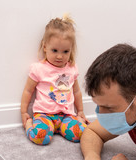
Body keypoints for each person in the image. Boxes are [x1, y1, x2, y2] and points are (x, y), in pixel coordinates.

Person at [20, 14, 89, 145]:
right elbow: (28, 91)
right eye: (55, 50)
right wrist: (24, 112)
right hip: (44, 115)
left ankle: (66, 128)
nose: (59, 56)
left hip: (66, 116)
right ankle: (31, 125)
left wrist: (80, 111)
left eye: (65, 52)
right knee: (41, 137)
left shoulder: (72, 69)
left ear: (71, 50)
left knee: (83, 134)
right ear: (45, 47)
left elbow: (76, 92)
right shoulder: (39, 69)